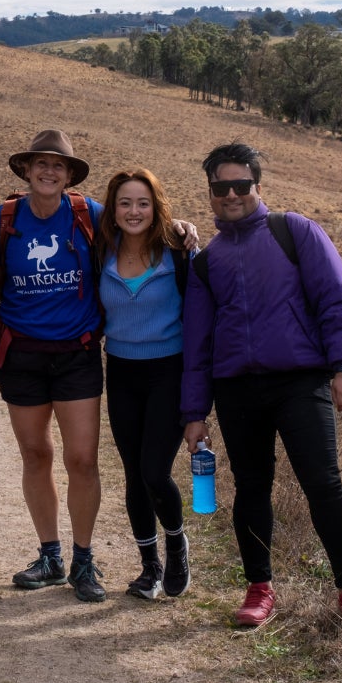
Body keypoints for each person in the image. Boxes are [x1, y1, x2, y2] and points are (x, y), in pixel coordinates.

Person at [181, 142, 342, 643]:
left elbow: (336, 301)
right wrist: (194, 411)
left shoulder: (295, 231)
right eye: (220, 187)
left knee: (323, 483)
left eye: (241, 185)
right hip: (236, 390)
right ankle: (258, 589)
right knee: (250, 488)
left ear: (258, 187)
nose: (231, 194)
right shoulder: (206, 263)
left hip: (300, 381)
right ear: (209, 194)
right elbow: (198, 344)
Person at [0, 129, 109, 602]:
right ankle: (50, 555)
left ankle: (83, 560)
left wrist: (180, 227)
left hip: (76, 353)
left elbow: (136, 237)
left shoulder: (87, 214)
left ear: (70, 175)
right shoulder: (7, 217)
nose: (49, 171)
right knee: (36, 454)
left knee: (81, 458)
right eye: (41, 163)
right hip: (23, 354)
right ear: (26, 169)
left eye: (59, 165)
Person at [96, 168, 197, 600]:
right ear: (112, 210)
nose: (133, 211)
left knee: (155, 471)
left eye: (142, 203)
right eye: (124, 203)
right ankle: (149, 568)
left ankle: (176, 545)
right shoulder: (99, 249)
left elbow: (200, 319)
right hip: (120, 372)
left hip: (168, 372)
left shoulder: (178, 250)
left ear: (156, 207)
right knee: (135, 475)